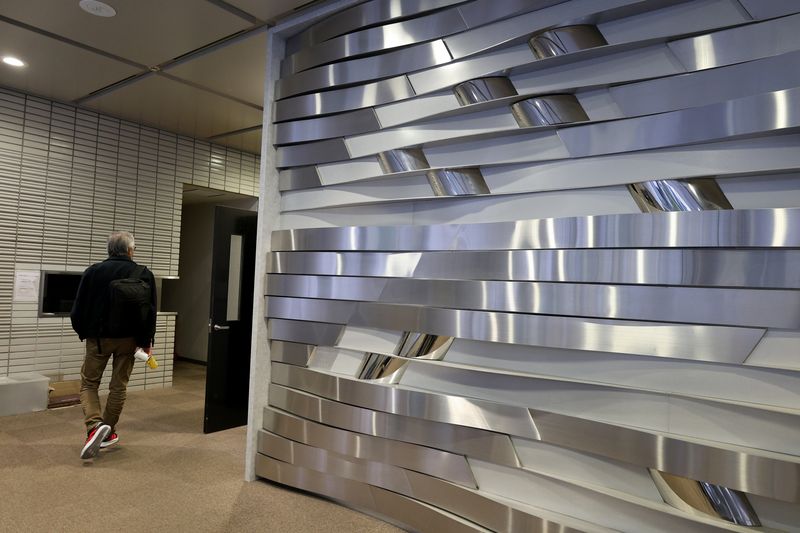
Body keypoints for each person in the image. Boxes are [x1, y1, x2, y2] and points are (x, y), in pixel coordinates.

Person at [70, 231, 157, 460]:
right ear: (130, 250)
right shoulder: (144, 273)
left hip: (99, 339)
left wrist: (83, 332)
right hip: (130, 341)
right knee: (119, 387)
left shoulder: (93, 272)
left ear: (110, 250)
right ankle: (107, 431)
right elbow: (150, 313)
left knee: (89, 383)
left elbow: (78, 308)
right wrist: (146, 342)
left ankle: (94, 426)